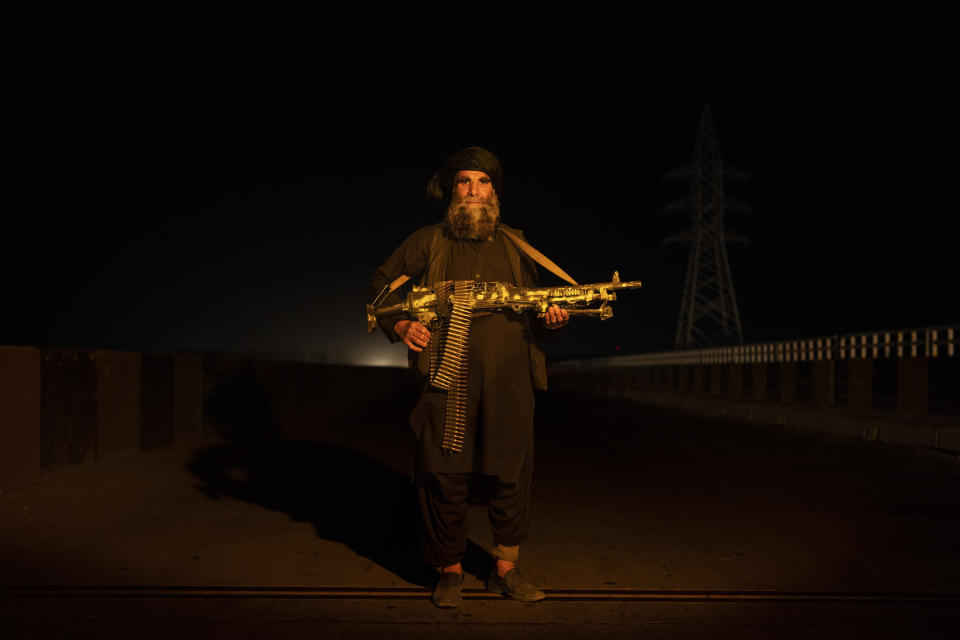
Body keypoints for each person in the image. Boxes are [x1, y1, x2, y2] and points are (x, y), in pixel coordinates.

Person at [369, 146, 569, 608]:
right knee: (444, 475)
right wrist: (398, 324)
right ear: (452, 191)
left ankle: (505, 569)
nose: (474, 191)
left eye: (483, 183)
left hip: (510, 382)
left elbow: (541, 312)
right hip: (445, 376)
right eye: (465, 182)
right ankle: (451, 571)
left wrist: (552, 321)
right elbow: (382, 283)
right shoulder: (429, 241)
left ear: (495, 192)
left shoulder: (518, 247)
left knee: (510, 475)